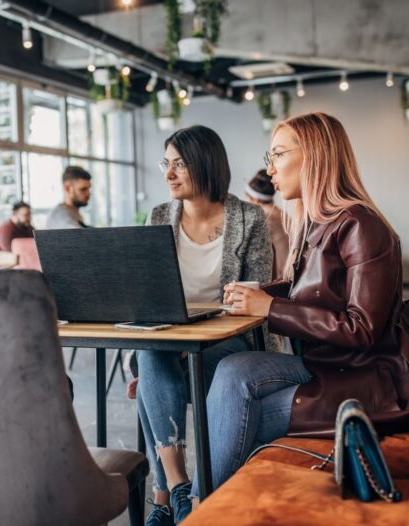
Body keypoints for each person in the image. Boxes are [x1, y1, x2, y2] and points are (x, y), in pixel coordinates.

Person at [184, 112, 409, 514]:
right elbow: (315, 291)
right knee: (221, 366)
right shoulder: (317, 225)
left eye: (278, 154)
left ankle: (198, 509)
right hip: (327, 365)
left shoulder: (361, 225)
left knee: (236, 395)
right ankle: (195, 502)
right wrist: (259, 295)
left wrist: (269, 307)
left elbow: (363, 329)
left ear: (316, 156)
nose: (269, 167)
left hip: (368, 376)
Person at [137, 125, 276, 526]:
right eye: (167, 163)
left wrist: (195, 335)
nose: (169, 173)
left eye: (179, 163)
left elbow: (255, 305)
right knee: (149, 355)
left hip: (231, 343)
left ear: (206, 164)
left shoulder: (249, 218)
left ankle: (162, 500)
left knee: (151, 373)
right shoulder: (159, 216)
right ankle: (184, 490)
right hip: (171, 340)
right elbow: (147, 295)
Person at [244, 169, 289, 279]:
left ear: (255, 199)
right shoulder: (284, 215)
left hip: (278, 280)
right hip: (292, 276)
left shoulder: (262, 219)